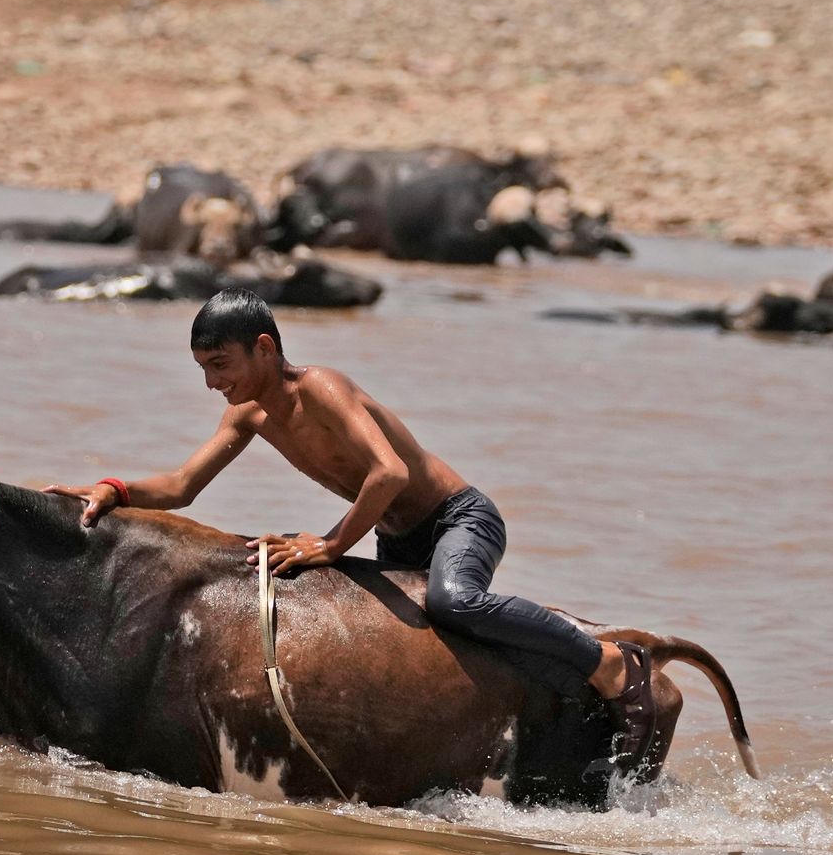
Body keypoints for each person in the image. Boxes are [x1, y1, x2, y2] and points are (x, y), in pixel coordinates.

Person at [45, 289, 656, 760]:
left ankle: (606, 661)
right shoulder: (249, 416)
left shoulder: (322, 387)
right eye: (202, 368)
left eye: (221, 363)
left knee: (454, 600)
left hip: (456, 518)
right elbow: (180, 487)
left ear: (264, 347)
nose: (212, 382)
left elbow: (387, 474)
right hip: (396, 537)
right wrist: (114, 489)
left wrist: (332, 545)